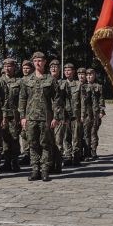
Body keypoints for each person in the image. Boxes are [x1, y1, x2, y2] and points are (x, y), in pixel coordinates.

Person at [19, 52, 63, 182]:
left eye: (40, 60)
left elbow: (57, 100)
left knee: (46, 144)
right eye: (36, 60)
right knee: (33, 144)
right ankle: (35, 170)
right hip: (31, 117)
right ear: (33, 62)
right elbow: (22, 99)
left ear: (45, 62)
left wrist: (56, 117)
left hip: (46, 118)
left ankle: (45, 170)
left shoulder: (51, 80)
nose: (38, 63)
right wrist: (22, 117)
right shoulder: (26, 80)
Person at [0, 58, 22, 173]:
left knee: (14, 138)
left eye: (9, 66)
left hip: (14, 114)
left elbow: (23, 99)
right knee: (5, 139)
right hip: (2, 114)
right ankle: (7, 162)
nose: (7, 68)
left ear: (14, 67)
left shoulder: (19, 82)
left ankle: (15, 162)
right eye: (5, 66)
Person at [64, 63, 86, 166]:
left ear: (73, 72)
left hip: (75, 115)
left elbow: (82, 101)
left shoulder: (78, 84)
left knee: (76, 137)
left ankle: (76, 157)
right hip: (65, 116)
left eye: (69, 70)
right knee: (66, 137)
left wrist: (82, 115)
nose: (67, 72)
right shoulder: (61, 84)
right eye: (66, 70)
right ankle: (68, 156)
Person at [49, 59, 66, 173]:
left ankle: (58, 165)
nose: (54, 69)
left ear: (60, 69)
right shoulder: (46, 81)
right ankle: (50, 164)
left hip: (60, 116)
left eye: (56, 67)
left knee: (58, 141)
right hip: (47, 115)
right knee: (48, 141)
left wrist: (66, 117)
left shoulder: (64, 83)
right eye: (52, 67)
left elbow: (68, 101)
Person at [85, 69, 105, 161]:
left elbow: (101, 99)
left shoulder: (99, 86)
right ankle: (87, 151)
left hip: (95, 113)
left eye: (91, 74)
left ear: (94, 75)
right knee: (86, 133)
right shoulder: (83, 86)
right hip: (86, 114)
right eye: (87, 75)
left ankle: (93, 150)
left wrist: (101, 111)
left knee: (93, 132)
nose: (89, 76)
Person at [18, 59, 34, 165]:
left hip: (32, 112)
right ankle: (26, 153)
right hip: (20, 111)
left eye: (27, 68)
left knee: (31, 134)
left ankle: (31, 154)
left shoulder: (33, 80)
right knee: (23, 134)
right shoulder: (19, 81)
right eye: (24, 68)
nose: (25, 70)